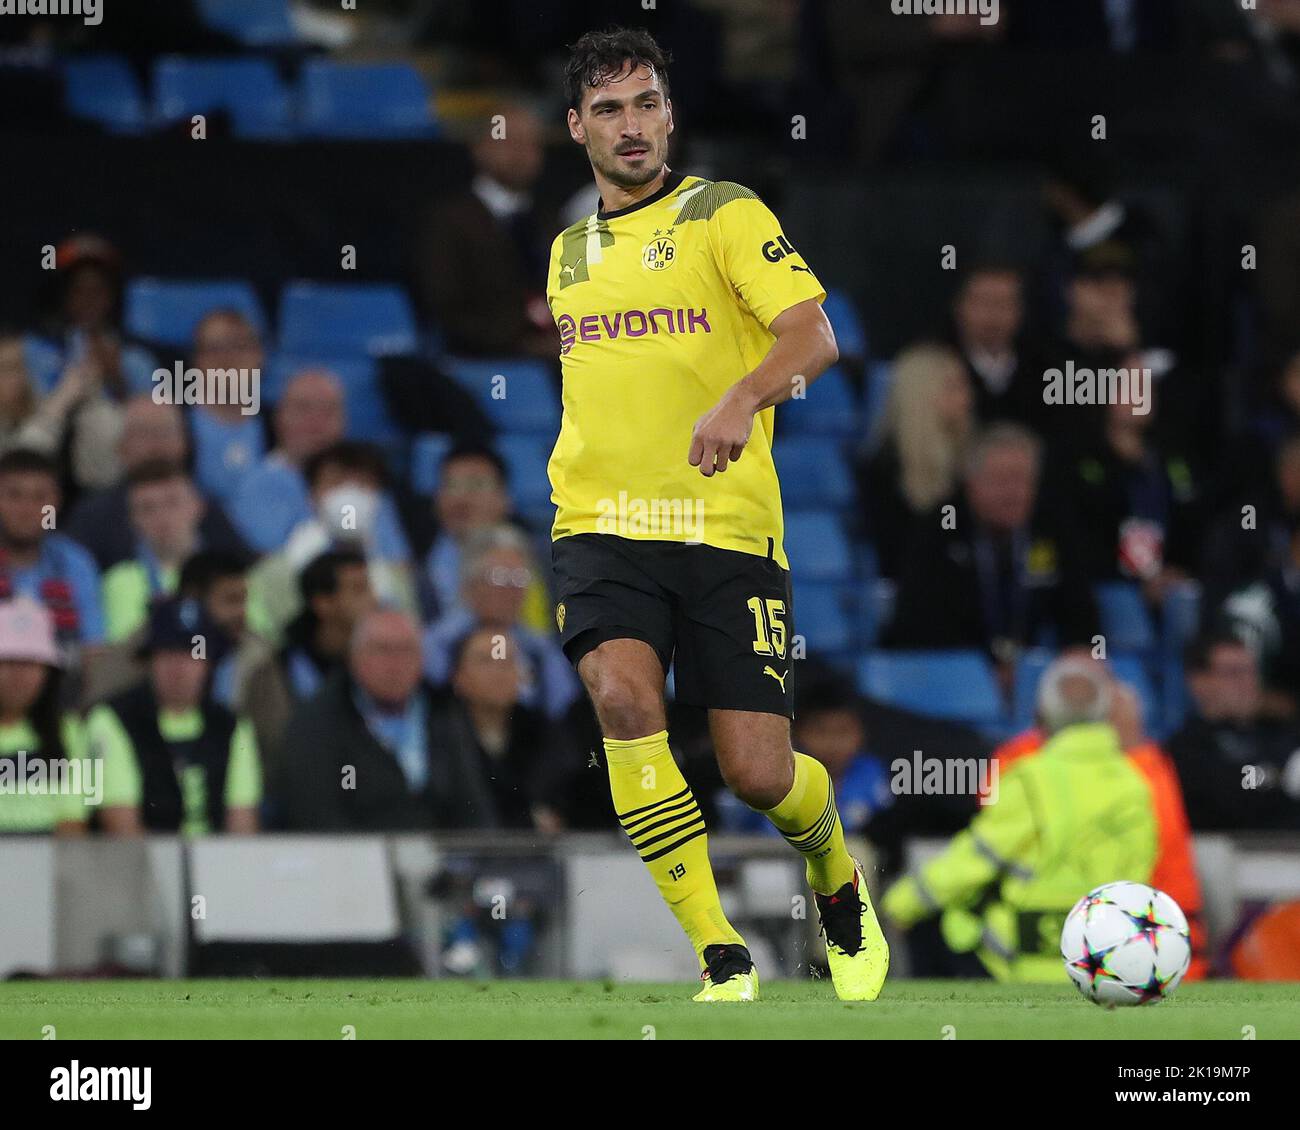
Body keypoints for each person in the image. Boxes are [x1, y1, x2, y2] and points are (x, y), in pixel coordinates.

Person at [545, 26, 884, 1002]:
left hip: (724, 529)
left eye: (644, 102)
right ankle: (719, 950)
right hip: (600, 524)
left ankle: (832, 870)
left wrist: (741, 398)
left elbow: (811, 333)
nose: (630, 125)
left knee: (759, 774)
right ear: (577, 128)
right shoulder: (568, 253)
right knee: (619, 698)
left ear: (669, 114)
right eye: (607, 109)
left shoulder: (724, 213)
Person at [881, 657, 1158, 981]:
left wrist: (901, 904)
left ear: (1040, 715)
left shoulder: (1030, 779)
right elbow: (1138, 874)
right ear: (1105, 714)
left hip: (1017, 959)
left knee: (936, 926)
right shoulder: (1136, 784)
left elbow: (977, 859)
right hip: (1102, 961)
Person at [885, 423, 1098, 681]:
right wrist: (984, 672)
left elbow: (1081, 611)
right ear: (972, 483)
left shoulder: (1051, 528)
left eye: (1022, 480)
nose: (1013, 493)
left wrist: (1079, 651)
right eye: (1001, 480)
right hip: (950, 675)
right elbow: (918, 623)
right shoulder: (940, 527)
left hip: (1028, 674)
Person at [274, 609, 500, 832]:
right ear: (354, 656)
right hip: (358, 859)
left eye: (406, 650)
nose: (395, 664)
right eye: (382, 650)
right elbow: (319, 815)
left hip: (444, 860)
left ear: (422, 659)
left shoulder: (445, 714)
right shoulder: (318, 723)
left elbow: (473, 807)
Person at [89, 597, 261, 836]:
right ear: (149, 661)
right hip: (139, 869)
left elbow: (242, 824)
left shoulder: (232, 725)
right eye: (168, 653)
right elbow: (121, 827)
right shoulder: (111, 719)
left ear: (209, 664)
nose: (179, 667)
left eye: (193, 654)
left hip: (216, 866)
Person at [414, 100, 559, 358]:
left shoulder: (550, 221)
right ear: (479, 147)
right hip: (482, 359)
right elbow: (444, 308)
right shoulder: (449, 221)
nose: (521, 153)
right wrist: (522, 343)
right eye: (509, 141)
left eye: (531, 144)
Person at [248, 441, 417, 637]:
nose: (350, 497)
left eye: (362, 484)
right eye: (337, 483)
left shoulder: (398, 579)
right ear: (311, 496)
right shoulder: (272, 574)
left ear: (378, 499)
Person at [64, 396, 248, 572]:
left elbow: (243, 568)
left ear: (185, 442)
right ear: (121, 447)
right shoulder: (92, 516)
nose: (156, 443)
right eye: (143, 433)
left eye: (165, 431)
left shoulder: (209, 506)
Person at [423, 524, 577, 721]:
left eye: (519, 579)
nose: (511, 590)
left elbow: (563, 710)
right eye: (499, 577)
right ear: (470, 581)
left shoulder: (542, 651)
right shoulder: (439, 644)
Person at [855, 342, 975, 577]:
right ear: (921, 394)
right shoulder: (883, 471)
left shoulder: (970, 462)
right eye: (953, 387)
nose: (967, 398)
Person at [1166, 630, 1300, 831]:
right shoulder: (1185, 750)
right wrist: (1279, 776)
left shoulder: (1280, 734)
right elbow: (1228, 799)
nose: (1247, 683)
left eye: (1252, 671)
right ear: (1199, 682)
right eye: (1234, 672)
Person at [0, 598, 93, 834]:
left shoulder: (68, 731)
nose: (18, 675)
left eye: (30, 663)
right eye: (9, 661)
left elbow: (72, 821)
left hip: (47, 865)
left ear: (48, 673)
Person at [0, 448, 104, 652]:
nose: (26, 509)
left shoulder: (76, 563)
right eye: (14, 495)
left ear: (56, 502)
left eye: (39, 497)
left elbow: (92, 648)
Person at [101, 461, 204, 641]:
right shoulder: (119, 581)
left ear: (197, 506)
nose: (162, 517)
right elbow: (126, 656)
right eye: (148, 508)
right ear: (133, 520)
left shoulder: (231, 575)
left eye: (172, 503)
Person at [185, 309, 268, 507]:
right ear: (196, 361)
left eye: (239, 347)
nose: (227, 359)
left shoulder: (277, 424)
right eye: (215, 349)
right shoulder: (178, 426)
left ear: (259, 356)